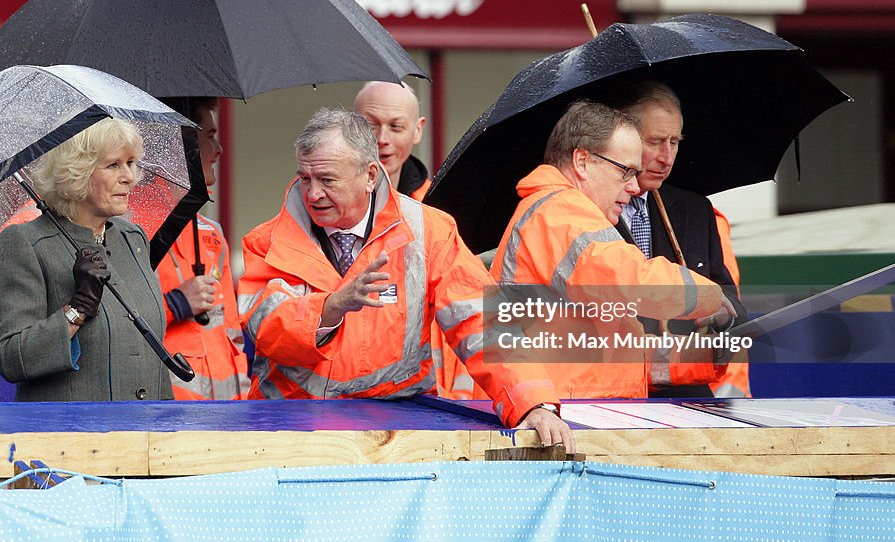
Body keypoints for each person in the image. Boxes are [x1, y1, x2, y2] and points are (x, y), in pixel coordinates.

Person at [238, 109, 574, 450]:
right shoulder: (267, 240)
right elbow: (265, 329)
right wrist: (331, 308)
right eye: (305, 178)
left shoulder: (429, 231)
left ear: (370, 176)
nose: (312, 194)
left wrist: (533, 404)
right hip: (292, 431)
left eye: (327, 180)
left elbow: (481, 321)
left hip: (399, 431)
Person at [491, 99, 736, 399]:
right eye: (626, 171)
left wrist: (701, 358)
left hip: (573, 411)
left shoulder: (560, 212)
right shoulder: (559, 212)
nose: (634, 187)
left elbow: (617, 353)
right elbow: (632, 280)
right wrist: (708, 296)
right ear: (582, 162)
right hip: (569, 418)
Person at [0, 118, 172, 401]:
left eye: (131, 163)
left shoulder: (133, 239)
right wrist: (77, 309)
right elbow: (12, 357)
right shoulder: (26, 243)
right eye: (113, 165)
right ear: (77, 171)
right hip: (71, 437)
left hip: (145, 433)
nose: (130, 177)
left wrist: (163, 429)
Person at [609, 81, 750, 397]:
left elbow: (732, 303)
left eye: (675, 142)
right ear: (624, 140)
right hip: (618, 393)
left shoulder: (696, 208)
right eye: (655, 141)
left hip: (689, 391)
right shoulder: (588, 210)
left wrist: (722, 316)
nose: (666, 156)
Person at [354, 81, 475, 400]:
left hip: (449, 402)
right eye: (370, 125)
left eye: (396, 127)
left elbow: (473, 312)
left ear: (418, 130)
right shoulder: (324, 211)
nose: (382, 139)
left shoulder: (440, 213)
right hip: (373, 407)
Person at [150, 98, 249, 400]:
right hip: (165, 423)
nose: (219, 150)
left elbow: (233, 337)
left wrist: (243, 403)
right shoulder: (131, 230)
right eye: (209, 136)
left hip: (227, 419)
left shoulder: (212, 233)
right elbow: (109, 326)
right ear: (181, 145)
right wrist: (174, 305)